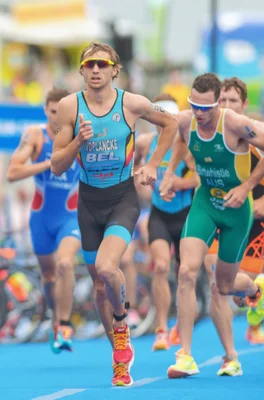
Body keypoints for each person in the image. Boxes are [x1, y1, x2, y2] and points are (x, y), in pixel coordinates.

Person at [50, 42, 179, 387]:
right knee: (98, 286)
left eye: (102, 65)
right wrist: (77, 142)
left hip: (122, 198)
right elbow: (56, 164)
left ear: (114, 70)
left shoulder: (131, 103)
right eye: (89, 65)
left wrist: (152, 164)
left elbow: (171, 125)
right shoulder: (69, 107)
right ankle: (120, 361)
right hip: (89, 202)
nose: (95, 70)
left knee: (108, 268)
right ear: (81, 70)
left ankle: (123, 325)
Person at [160, 73, 264, 379]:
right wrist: (166, 173)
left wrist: (246, 187)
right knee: (188, 271)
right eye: (193, 106)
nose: (198, 113)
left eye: (205, 108)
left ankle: (254, 288)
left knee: (226, 285)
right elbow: (177, 137)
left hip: (237, 212)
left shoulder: (237, 126)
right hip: (206, 202)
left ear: (221, 105)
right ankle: (186, 356)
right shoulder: (186, 120)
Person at [6, 87, 82, 353]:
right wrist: (49, 164)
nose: (59, 118)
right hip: (41, 219)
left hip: (70, 217)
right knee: (49, 277)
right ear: (45, 111)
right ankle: (56, 319)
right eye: (53, 112)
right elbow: (13, 172)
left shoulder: (79, 136)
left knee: (64, 263)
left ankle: (65, 323)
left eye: (63, 113)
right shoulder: (35, 136)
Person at [134, 94, 199, 351]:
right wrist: (143, 182)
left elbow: (198, 180)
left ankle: (181, 328)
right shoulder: (145, 143)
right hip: (159, 214)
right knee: (160, 266)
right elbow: (136, 171)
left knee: (185, 275)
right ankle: (161, 329)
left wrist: (176, 183)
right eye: (160, 121)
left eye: (169, 120)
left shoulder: (187, 144)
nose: (164, 126)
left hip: (185, 215)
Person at [203, 77, 264, 345]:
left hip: (254, 226)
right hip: (223, 219)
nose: (226, 106)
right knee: (216, 281)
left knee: (239, 294)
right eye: (222, 100)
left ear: (244, 104)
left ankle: (255, 293)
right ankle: (230, 356)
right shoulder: (208, 135)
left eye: (232, 101)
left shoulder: (256, 136)